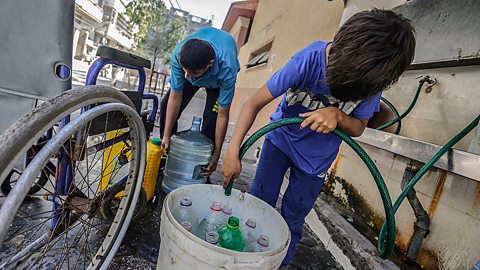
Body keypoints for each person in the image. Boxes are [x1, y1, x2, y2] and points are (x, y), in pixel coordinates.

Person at [221, 9, 415, 264]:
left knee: (294, 216)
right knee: (260, 203)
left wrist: (338, 115)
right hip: (280, 140)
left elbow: (358, 128)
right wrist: (233, 151)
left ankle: (280, 263)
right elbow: (252, 103)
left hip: (316, 160)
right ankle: (249, 256)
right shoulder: (309, 60)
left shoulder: (371, 80)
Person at [160, 27, 240, 177]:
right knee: (165, 106)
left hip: (216, 82)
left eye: (193, 73)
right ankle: (168, 156)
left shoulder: (228, 68)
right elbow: (175, 97)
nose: (187, 76)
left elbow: (223, 114)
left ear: (210, 64)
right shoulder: (179, 56)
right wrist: (165, 135)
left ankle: (204, 168)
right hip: (194, 64)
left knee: (211, 119)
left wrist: (216, 153)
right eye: (185, 70)